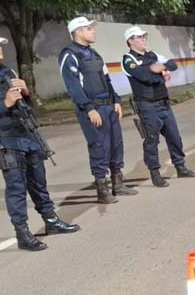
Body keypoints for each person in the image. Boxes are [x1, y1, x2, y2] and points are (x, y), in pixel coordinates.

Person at [0, 29, 80, 251]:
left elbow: (23, 104)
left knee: (39, 182)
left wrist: (26, 93)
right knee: (16, 187)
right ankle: (22, 233)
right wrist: (4, 103)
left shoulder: (7, 71)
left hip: (27, 134)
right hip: (5, 140)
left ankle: (51, 221)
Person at [59, 16, 137, 204]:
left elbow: (107, 80)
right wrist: (89, 109)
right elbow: (74, 86)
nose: (93, 31)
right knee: (99, 146)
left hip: (108, 106)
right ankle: (102, 189)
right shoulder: (69, 54)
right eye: (89, 28)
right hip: (92, 108)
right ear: (78, 31)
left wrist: (116, 100)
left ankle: (117, 183)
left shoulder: (95, 54)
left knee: (116, 145)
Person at [120, 26, 195, 187]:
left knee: (174, 137)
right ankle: (155, 173)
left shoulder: (153, 55)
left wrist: (161, 68)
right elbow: (143, 76)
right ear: (130, 41)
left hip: (164, 103)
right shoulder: (128, 60)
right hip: (147, 106)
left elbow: (172, 64)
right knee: (151, 141)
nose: (143, 39)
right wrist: (158, 71)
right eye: (139, 37)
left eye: (144, 36)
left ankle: (180, 166)